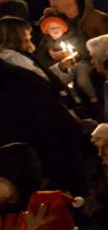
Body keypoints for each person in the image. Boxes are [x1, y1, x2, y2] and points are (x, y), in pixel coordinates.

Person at [0, 16, 89, 193]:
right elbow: (41, 91)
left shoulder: (19, 59)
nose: (30, 37)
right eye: (26, 34)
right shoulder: (14, 63)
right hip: (45, 126)